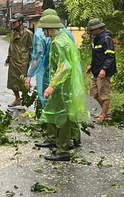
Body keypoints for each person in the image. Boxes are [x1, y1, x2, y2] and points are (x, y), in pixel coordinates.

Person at [35, 14, 88, 161]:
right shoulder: (62, 39)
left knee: (62, 117)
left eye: (44, 29)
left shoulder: (58, 43)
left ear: (49, 29)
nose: (43, 32)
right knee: (66, 114)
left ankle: (63, 151)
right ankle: (69, 141)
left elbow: (64, 66)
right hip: (65, 85)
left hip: (61, 86)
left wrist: (51, 85)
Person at [85, 18, 117, 122]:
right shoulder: (96, 39)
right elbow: (96, 55)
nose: (90, 32)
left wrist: (104, 69)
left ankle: (103, 115)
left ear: (98, 29)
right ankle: (103, 111)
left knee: (103, 93)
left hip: (103, 71)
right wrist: (91, 65)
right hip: (96, 70)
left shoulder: (106, 39)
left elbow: (110, 56)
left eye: (91, 30)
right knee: (93, 93)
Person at [5, 13, 33, 107]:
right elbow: (11, 47)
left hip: (23, 62)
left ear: (20, 22)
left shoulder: (28, 34)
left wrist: (31, 63)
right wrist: (8, 58)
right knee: (12, 82)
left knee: (23, 82)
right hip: (13, 61)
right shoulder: (13, 33)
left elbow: (32, 49)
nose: (13, 24)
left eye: (14, 22)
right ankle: (17, 98)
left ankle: (25, 99)